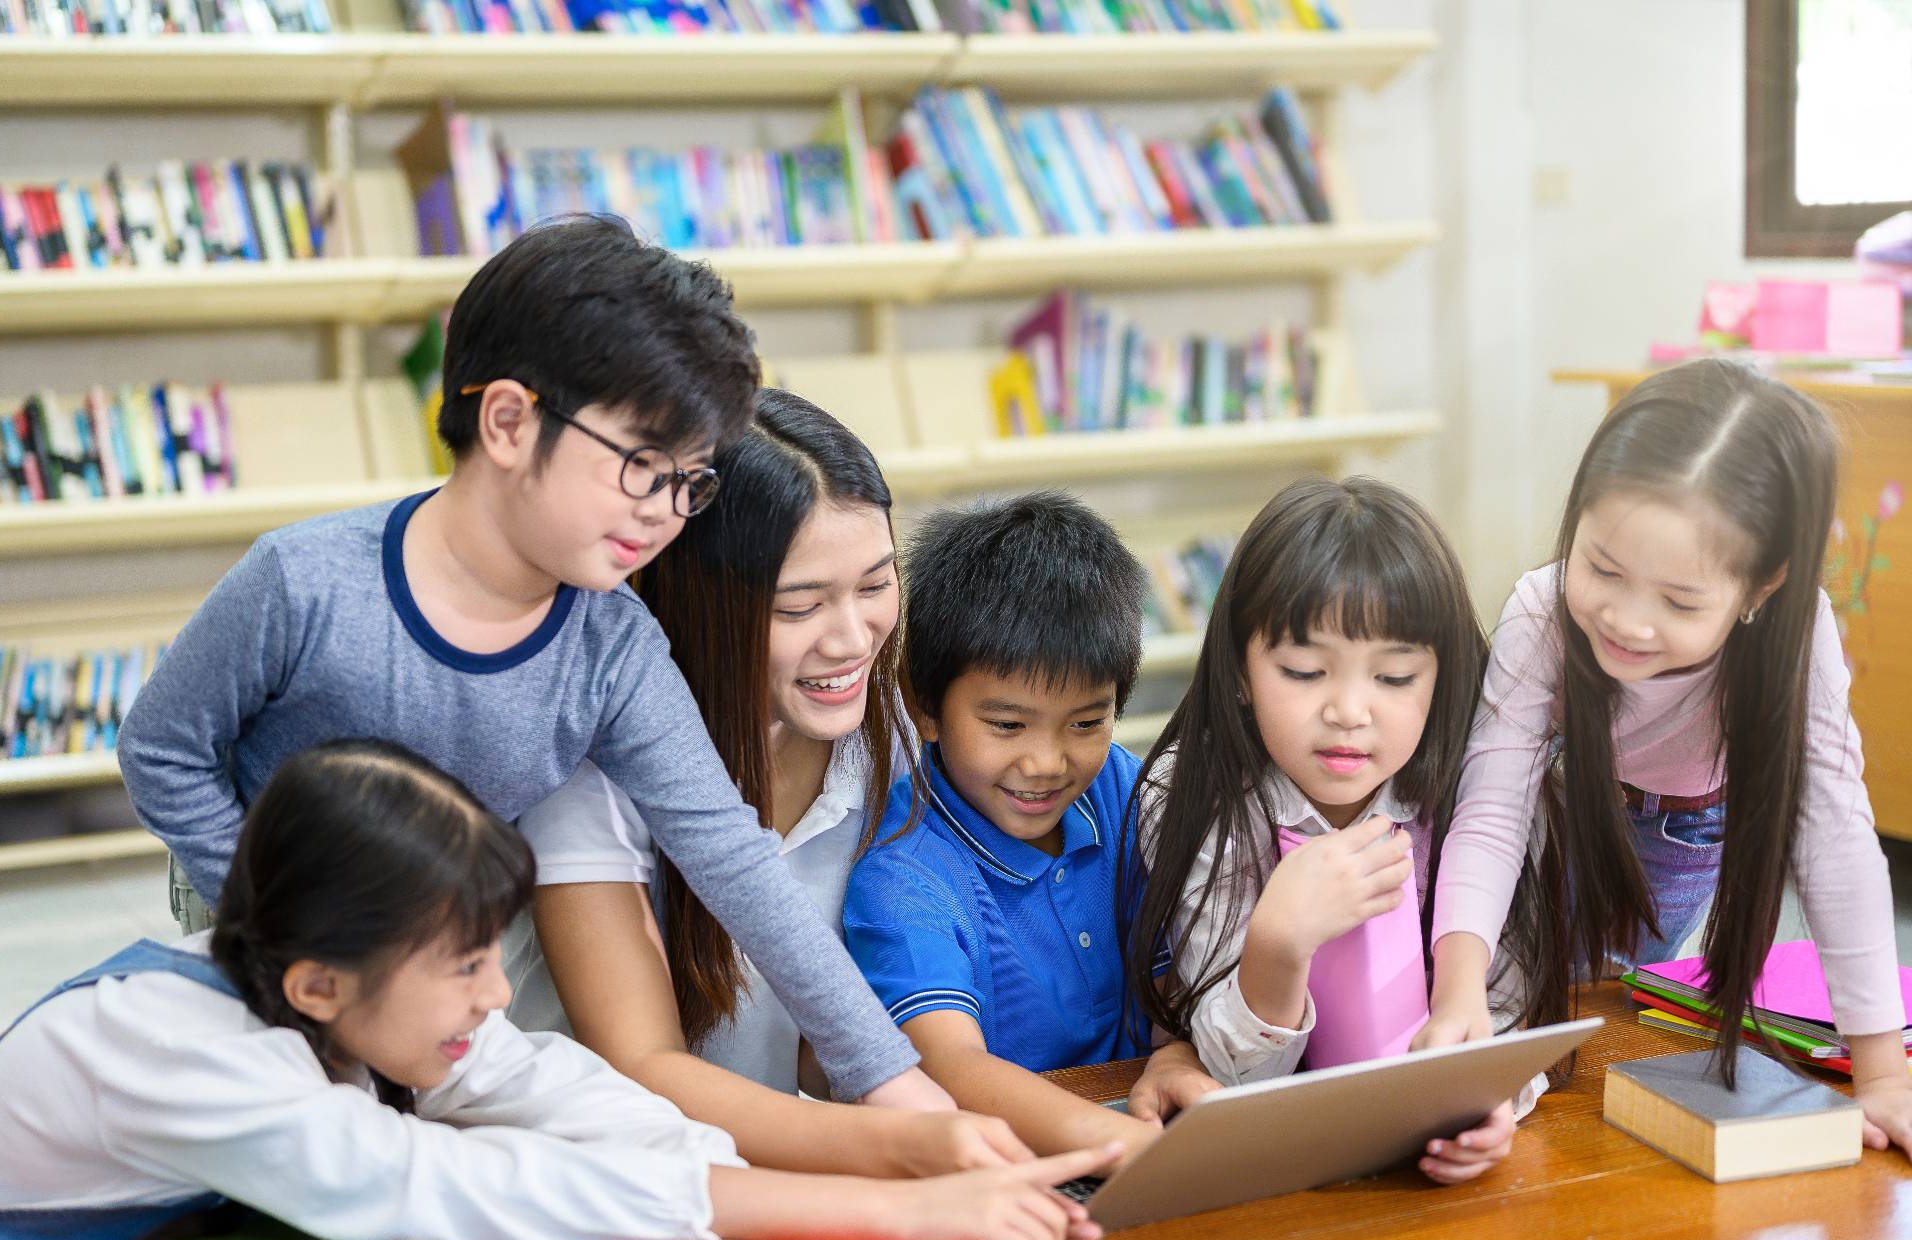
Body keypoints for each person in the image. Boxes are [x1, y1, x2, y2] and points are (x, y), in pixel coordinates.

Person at [116, 218, 942, 1109]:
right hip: (271, 958)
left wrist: (888, 1078)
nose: (667, 513)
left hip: (446, 969)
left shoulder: (614, 645)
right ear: (509, 421)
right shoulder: (303, 582)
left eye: (690, 480)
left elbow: (734, 858)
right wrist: (296, 938)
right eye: (641, 465)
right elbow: (162, 751)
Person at [0, 740, 1117, 1240]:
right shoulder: (174, 1046)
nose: (496, 995)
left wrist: (709, 1225)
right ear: (322, 983)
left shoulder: (338, 989)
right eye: (466, 963)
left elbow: (569, 1096)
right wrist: (892, 1214)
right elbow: (435, 1178)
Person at [507, 387, 1029, 1177]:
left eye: (876, 583)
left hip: (805, 1169)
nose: (853, 637)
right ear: (700, 604)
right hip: (610, 1184)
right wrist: (902, 1138)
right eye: (801, 605)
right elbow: (642, 1065)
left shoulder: (895, 721)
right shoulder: (589, 767)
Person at [1419, 359, 1912, 1157]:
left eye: (1680, 601)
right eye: (1602, 568)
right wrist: (1458, 992)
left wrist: (1885, 1075)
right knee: (1516, 1018)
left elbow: (1835, 839)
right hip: (1563, 815)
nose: (1626, 619)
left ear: (1763, 587)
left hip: (1689, 837)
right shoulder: (1542, 609)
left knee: (1612, 1028)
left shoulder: (1797, 631)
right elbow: (1492, 807)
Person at [1124, 476, 1524, 1183]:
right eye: (1305, 670)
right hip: (1269, 1186)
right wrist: (1279, 941)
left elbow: (1507, 1012)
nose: (1348, 710)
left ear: (1440, 676)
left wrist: (1490, 1099)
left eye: (1395, 676)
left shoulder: (1471, 789)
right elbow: (1231, 1083)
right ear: (1240, 670)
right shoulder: (1192, 796)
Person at [843, 491, 1210, 1166]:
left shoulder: (1125, 788)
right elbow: (948, 1066)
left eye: (1086, 722)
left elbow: (1178, 972)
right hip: (1019, 1166)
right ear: (925, 707)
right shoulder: (905, 868)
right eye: (1008, 725)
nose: (1047, 762)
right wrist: (1113, 1139)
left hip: (1141, 1129)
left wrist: (1174, 1053)